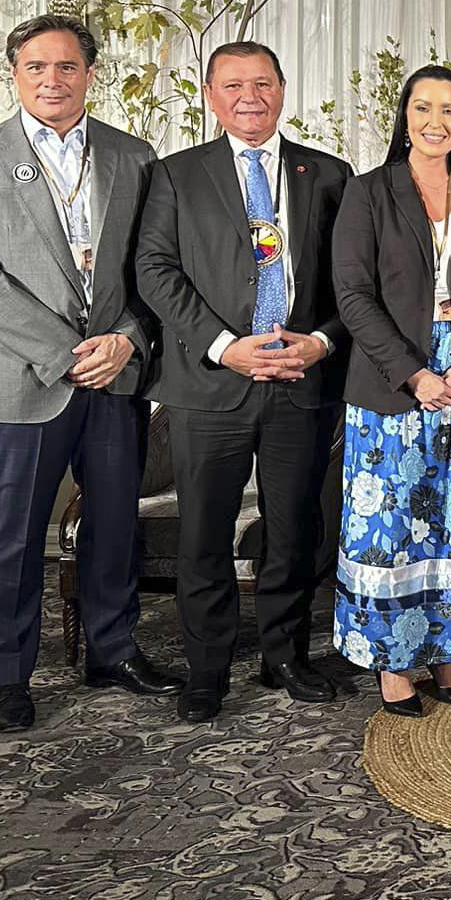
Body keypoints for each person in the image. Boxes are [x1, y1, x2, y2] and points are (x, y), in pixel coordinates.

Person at [0, 12, 179, 732]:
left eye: (66, 66)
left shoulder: (133, 157)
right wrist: (67, 352)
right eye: (36, 67)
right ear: (14, 75)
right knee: (15, 534)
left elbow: (153, 271)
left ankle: (112, 648)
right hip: (24, 380)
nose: (52, 79)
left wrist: (128, 340)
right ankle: (9, 676)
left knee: (113, 524)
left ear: (90, 75)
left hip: (115, 376)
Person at [135, 42, 351, 724]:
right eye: (233, 85)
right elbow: (155, 271)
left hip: (299, 379)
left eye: (262, 83)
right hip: (210, 385)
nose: (249, 96)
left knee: (293, 528)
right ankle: (207, 667)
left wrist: (319, 342)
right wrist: (228, 348)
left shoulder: (329, 175)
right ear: (210, 94)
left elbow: (358, 281)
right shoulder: (175, 175)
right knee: (204, 532)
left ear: (284, 89)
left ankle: (284, 654)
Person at [330, 65, 451, 717]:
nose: (436, 121)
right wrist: (413, 373)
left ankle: (450, 650)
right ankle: (395, 660)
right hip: (396, 381)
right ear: (404, 116)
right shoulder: (368, 193)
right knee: (395, 529)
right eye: (423, 107)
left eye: (449, 109)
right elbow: (352, 296)